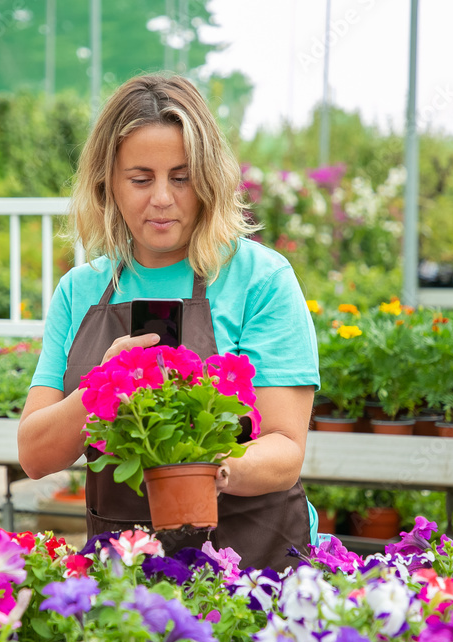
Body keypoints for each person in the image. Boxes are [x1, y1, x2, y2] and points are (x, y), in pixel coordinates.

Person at [17, 73, 320, 571]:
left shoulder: (260, 279)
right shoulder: (81, 290)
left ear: (208, 179)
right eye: (140, 178)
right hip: (125, 567)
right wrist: (103, 387)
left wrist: (206, 473)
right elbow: (36, 455)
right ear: (107, 183)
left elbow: (285, 449)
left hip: (250, 560)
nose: (161, 197)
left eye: (181, 177)